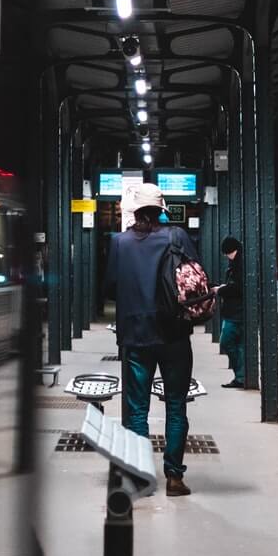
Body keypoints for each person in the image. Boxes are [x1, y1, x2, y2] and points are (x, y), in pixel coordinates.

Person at [104, 182, 196, 496]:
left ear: (135, 210)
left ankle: (142, 475)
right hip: (174, 334)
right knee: (175, 405)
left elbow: (111, 285)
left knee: (137, 409)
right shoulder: (178, 236)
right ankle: (174, 477)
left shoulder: (119, 242)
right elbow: (194, 277)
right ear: (161, 209)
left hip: (135, 336)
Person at [215, 236, 245, 388]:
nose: (227, 257)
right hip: (237, 311)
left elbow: (238, 288)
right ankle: (241, 376)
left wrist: (221, 290)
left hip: (236, 312)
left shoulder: (240, 265)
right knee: (239, 345)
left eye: (227, 253)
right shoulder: (238, 263)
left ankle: (241, 375)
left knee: (226, 341)